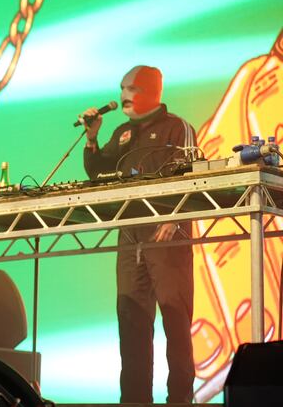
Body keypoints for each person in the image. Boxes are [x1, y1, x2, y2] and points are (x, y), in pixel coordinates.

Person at [80, 65, 196, 403]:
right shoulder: (121, 134)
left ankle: (180, 401)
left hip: (167, 237)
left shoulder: (178, 127)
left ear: (152, 91)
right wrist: (92, 138)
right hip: (130, 239)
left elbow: (192, 174)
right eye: (121, 88)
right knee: (132, 326)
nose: (123, 95)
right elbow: (98, 173)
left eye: (130, 88)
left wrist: (173, 218)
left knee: (175, 325)